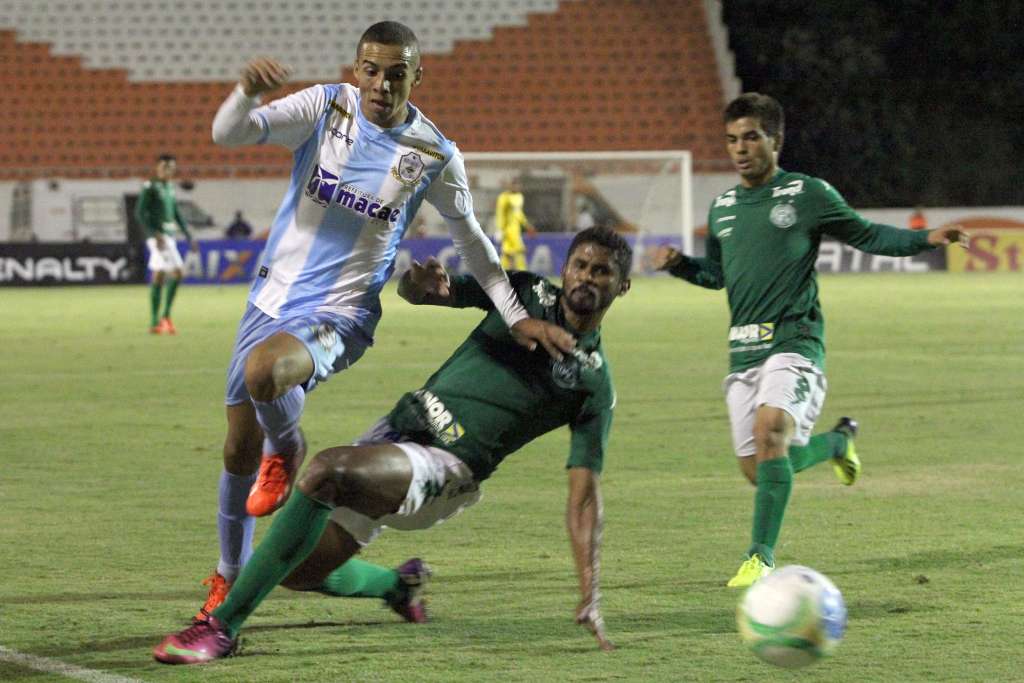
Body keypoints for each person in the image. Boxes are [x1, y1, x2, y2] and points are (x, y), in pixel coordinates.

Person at [196, 21, 574, 622]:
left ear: (416, 76)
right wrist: (245, 91)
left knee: (264, 371)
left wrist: (515, 312)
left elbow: (472, 240)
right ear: (356, 69)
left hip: (339, 314)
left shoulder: (432, 153)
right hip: (269, 301)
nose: (381, 84)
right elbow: (230, 134)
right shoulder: (325, 107)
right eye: (371, 70)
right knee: (238, 450)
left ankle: (288, 447)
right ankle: (228, 576)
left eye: (396, 73)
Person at [153, 226, 631, 663]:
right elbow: (428, 292)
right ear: (566, 267)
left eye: (603, 271)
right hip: (398, 429)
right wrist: (418, 287)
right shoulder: (522, 294)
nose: (587, 277)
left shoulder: (593, 383)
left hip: (448, 469)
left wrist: (590, 592)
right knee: (295, 569)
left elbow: (584, 496)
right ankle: (397, 585)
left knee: (327, 471)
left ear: (621, 286)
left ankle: (220, 629)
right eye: (581, 265)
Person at [652, 93, 969, 588]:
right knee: (760, 470)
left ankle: (759, 557)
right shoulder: (722, 209)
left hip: (795, 338)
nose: (740, 149)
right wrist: (680, 267)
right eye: (732, 140)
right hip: (743, 348)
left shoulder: (807, 193)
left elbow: (867, 235)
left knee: (771, 429)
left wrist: (926, 238)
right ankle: (838, 442)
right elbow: (719, 275)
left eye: (751, 137)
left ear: (776, 140)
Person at [134, 154, 197, 334]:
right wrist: (155, 233)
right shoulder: (150, 187)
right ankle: (164, 317)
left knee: (160, 275)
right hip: (159, 238)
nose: (167, 170)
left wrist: (188, 235)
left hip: (169, 236)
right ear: (157, 168)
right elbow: (139, 213)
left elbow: (176, 214)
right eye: (164, 167)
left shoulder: (169, 187)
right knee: (178, 272)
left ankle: (157, 321)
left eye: (170, 167)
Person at [495, 177, 537, 269]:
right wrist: (499, 229)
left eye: (518, 185)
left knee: (509, 253)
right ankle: (521, 273)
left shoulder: (519, 197)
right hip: (507, 230)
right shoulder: (504, 197)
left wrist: (527, 225)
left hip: (516, 230)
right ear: (510, 186)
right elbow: (500, 214)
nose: (516, 187)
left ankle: (505, 273)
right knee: (516, 252)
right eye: (514, 185)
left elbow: (519, 214)